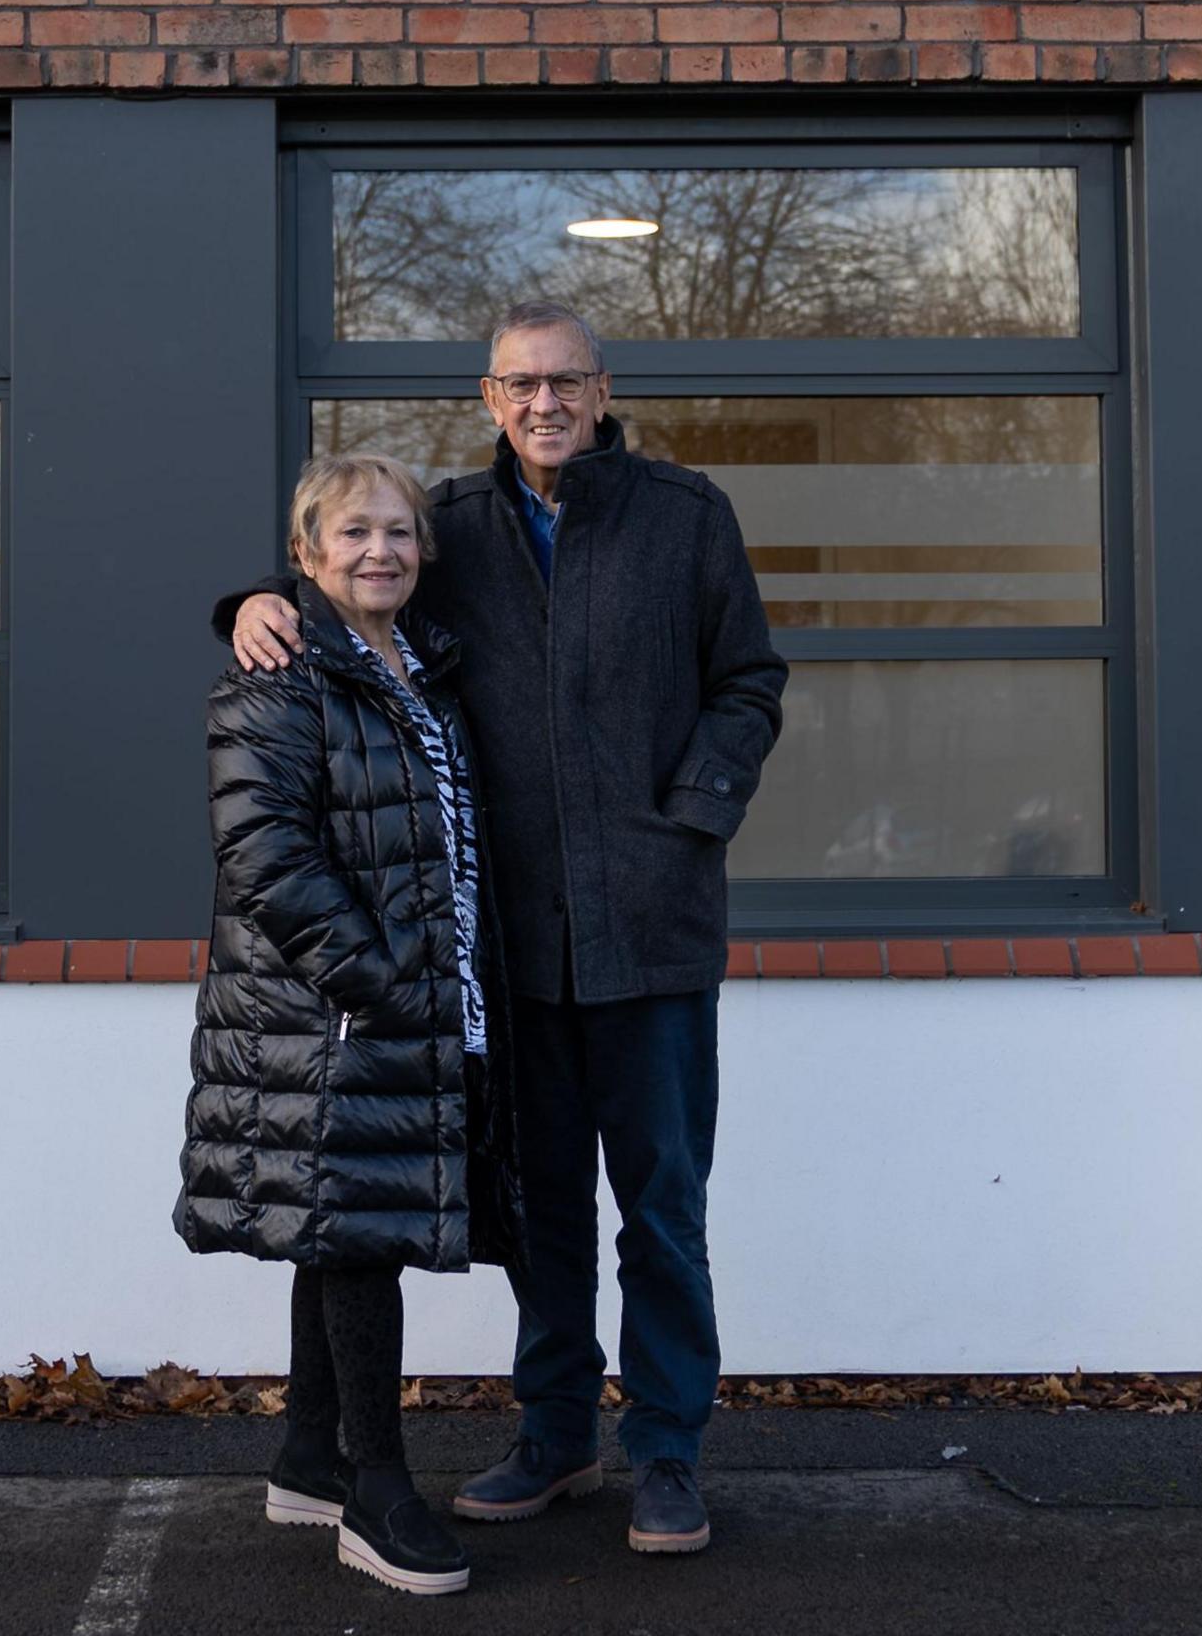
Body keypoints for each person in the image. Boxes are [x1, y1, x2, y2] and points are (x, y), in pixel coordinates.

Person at [224, 301, 785, 1557]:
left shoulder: (686, 518)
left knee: (662, 1207)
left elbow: (750, 680)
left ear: (601, 390)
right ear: (489, 399)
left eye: (567, 383)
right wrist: (249, 604)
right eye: (521, 386)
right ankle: (554, 1432)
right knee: (540, 1212)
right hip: (510, 947)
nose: (545, 406)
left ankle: (668, 1453)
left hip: (652, 931)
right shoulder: (454, 530)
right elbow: (347, 574)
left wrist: (691, 812)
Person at [177, 453, 517, 1599]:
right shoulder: (276, 678)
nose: (381, 550)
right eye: (354, 533)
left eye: (401, 533)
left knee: (340, 1221)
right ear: (308, 554)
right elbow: (265, 852)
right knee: (364, 1235)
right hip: (333, 1010)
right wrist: (374, 981)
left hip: (412, 997)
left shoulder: (422, 669)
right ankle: (377, 1489)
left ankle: (308, 1455)